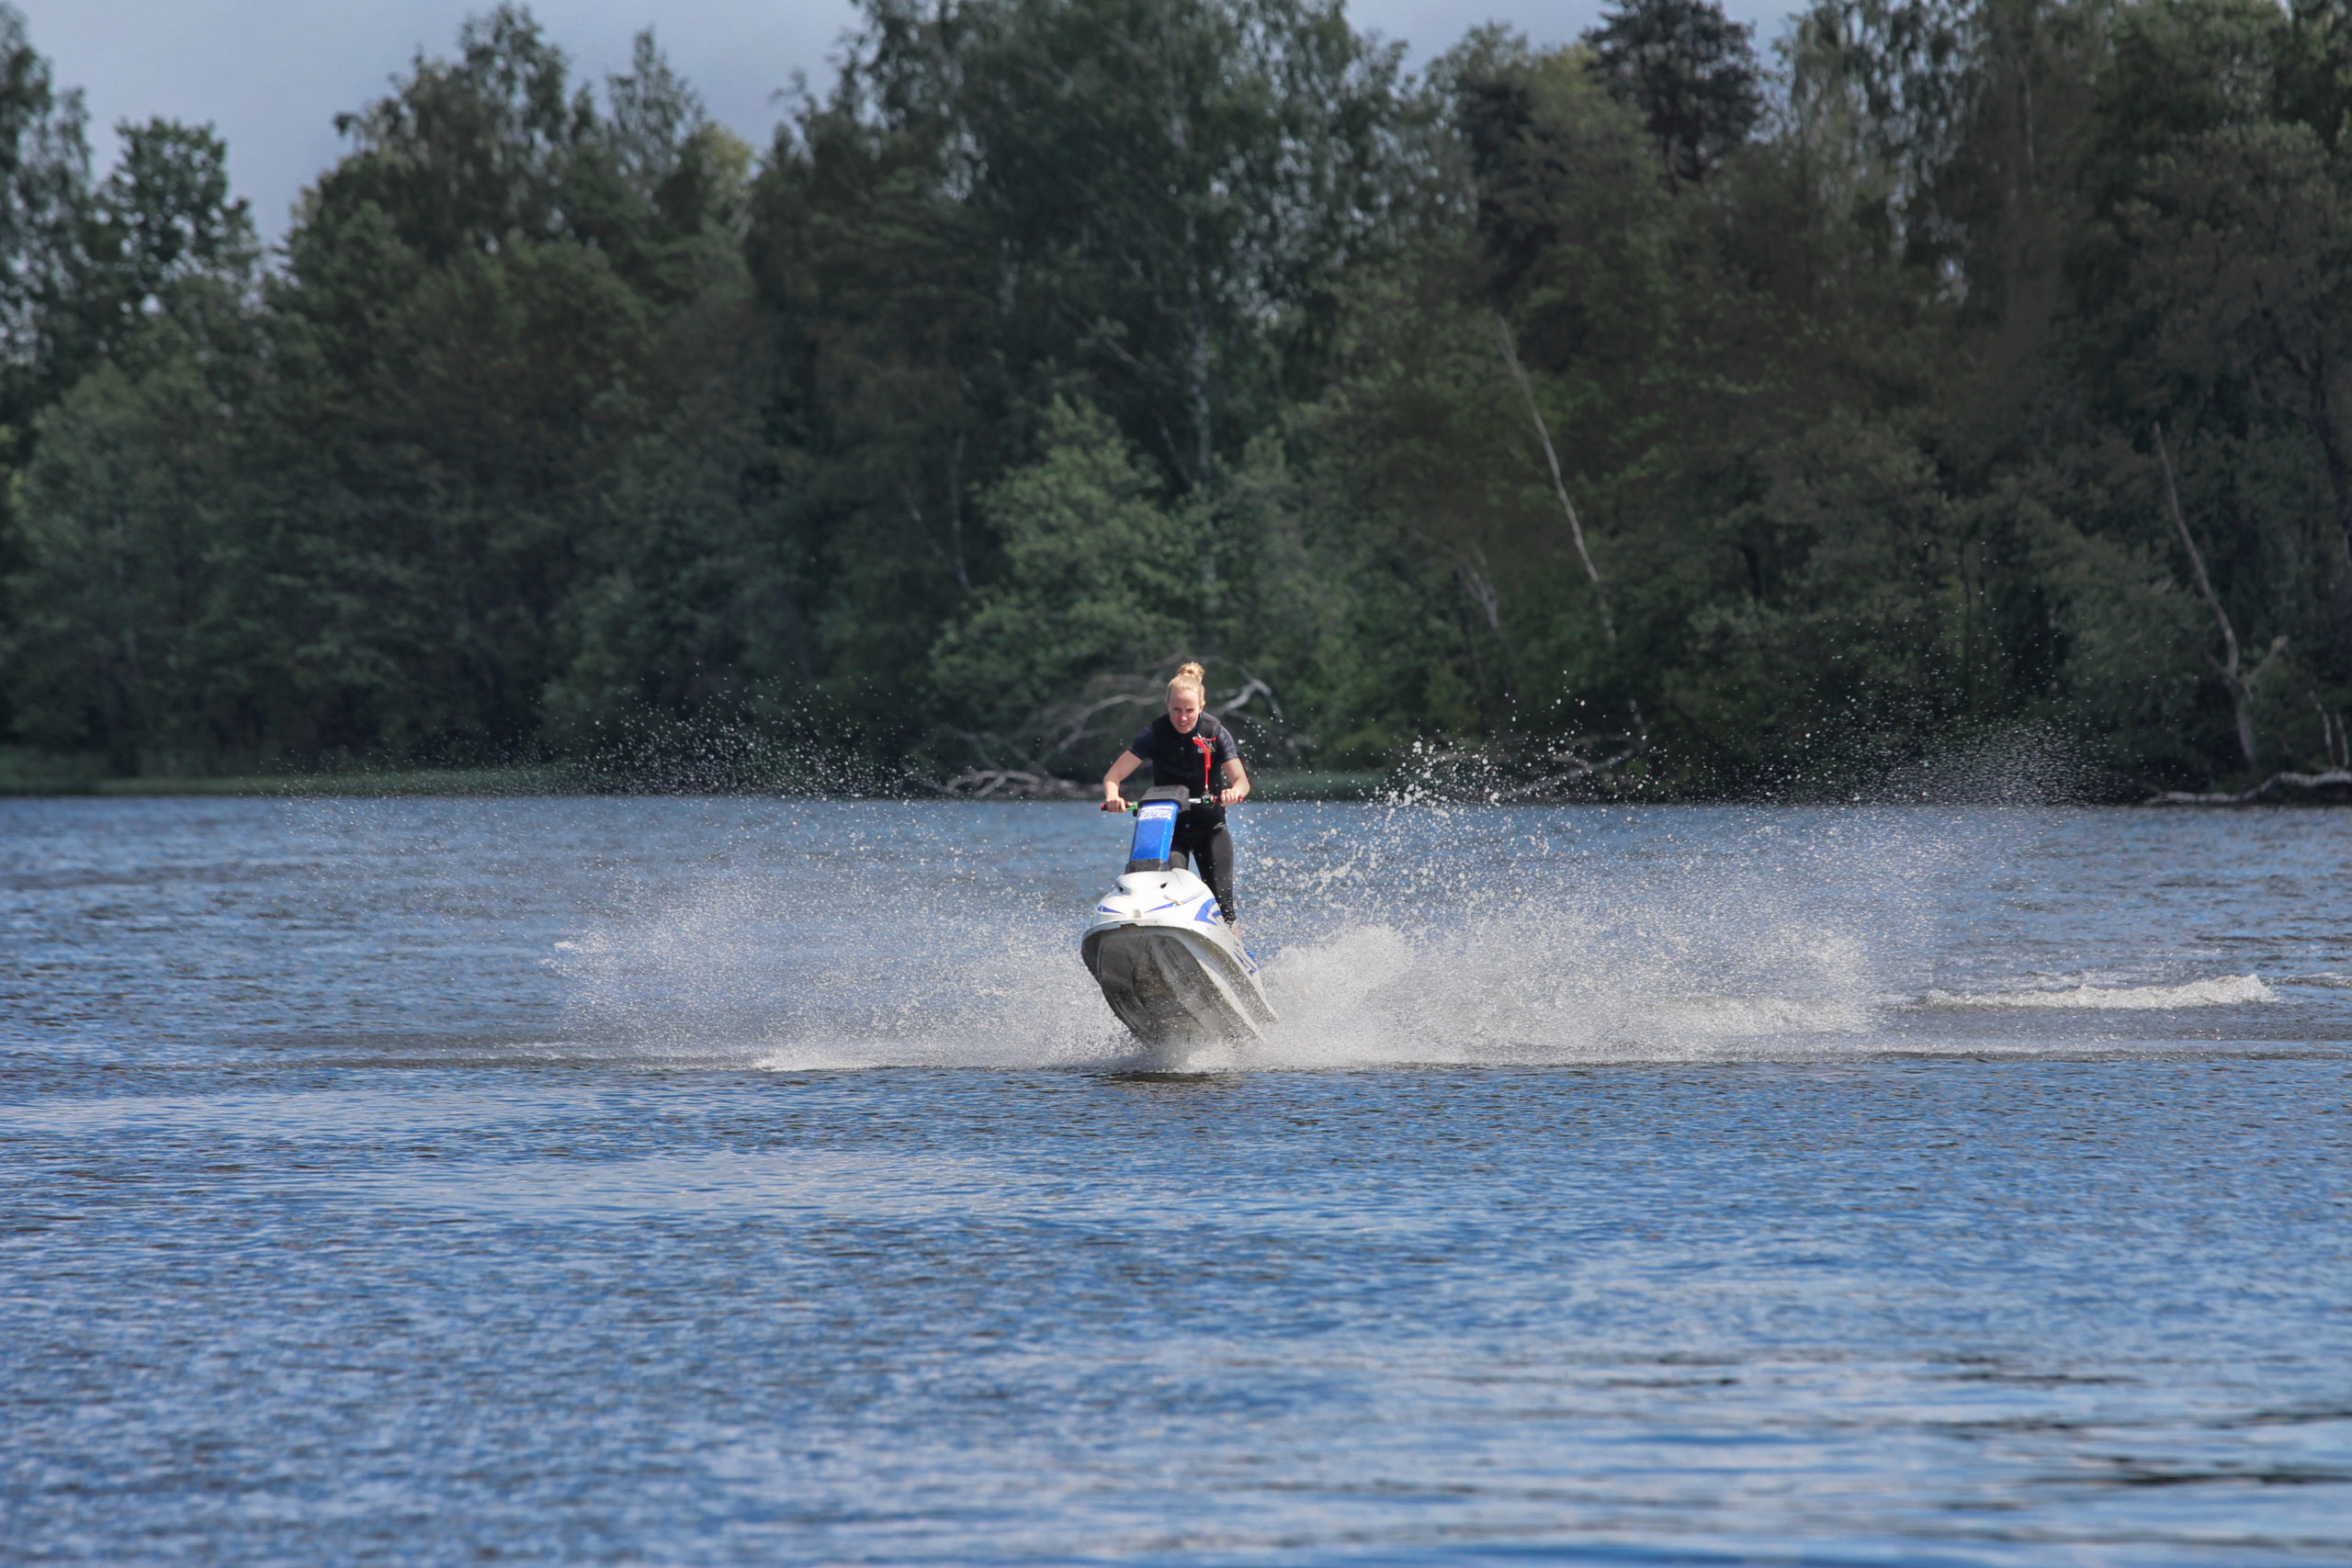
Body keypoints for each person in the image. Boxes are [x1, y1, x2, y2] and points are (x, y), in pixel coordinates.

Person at [1102, 661, 1251, 927]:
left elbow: (1241, 781)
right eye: (1176, 710)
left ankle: (1233, 941)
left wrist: (1233, 792)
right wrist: (1114, 797)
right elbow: (1113, 776)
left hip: (1211, 828)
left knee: (1223, 902)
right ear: (1167, 707)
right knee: (1169, 892)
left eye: (1190, 711)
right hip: (1171, 832)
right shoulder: (1155, 734)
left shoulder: (1215, 733)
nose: (1183, 717)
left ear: (1202, 707)